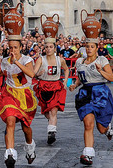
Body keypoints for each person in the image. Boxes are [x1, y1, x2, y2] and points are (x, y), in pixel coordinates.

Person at [0, 14, 37, 168]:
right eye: (10, 47)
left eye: (15, 48)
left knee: (26, 128)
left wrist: (17, 60)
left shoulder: (26, 60)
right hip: (9, 94)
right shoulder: (5, 61)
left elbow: (31, 74)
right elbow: (1, 72)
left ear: (21, 48)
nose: (12, 50)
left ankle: (30, 147)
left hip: (24, 95)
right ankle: (10, 153)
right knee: (10, 121)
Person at [69, 38, 113, 165]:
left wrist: (100, 70)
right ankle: (88, 154)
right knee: (88, 124)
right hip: (85, 93)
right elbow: (81, 77)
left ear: (96, 48)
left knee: (101, 129)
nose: (89, 49)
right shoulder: (79, 61)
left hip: (100, 93)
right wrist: (75, 85)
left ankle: (108, 127)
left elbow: (111, 77)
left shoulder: (102, 60)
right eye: (87, 46)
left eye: (92, 47)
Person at [34, 14, 69, 145]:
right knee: (46, 112)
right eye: (46, 47)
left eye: (50, 47)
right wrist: (38, 74)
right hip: (43, 86)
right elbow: (32, 73)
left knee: (53, 111)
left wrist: (65, 81)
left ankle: (51, 133)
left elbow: (66, 69)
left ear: (54, 48)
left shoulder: (60, 60)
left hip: (55, 85)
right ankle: (51, 125)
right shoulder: (40, 59)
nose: (48, 49)